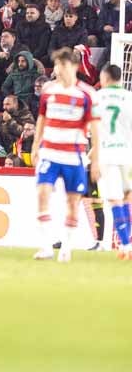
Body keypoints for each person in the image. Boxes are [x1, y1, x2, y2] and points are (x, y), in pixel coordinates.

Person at [31, 48, 101, 262]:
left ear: (75, 67)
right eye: (58, 65)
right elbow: (42, 118)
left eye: (64, 65)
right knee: (42, 193)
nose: (60, 69)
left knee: (73, 202)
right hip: (50, 152)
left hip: (74, 155)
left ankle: (66, 247)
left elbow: (95, 128)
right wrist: (36, 145)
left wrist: (96, 158)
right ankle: (45, 247)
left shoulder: (87, 94)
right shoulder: (48, 90)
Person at [94, 64, 132, 258]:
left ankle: (126, 245)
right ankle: (129, 243)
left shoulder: (98, 98)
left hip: (107, 153)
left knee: (114, 199)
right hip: (128, 153)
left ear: (106, 77)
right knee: (128, 197)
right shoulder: (130, 97)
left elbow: (92, 128)